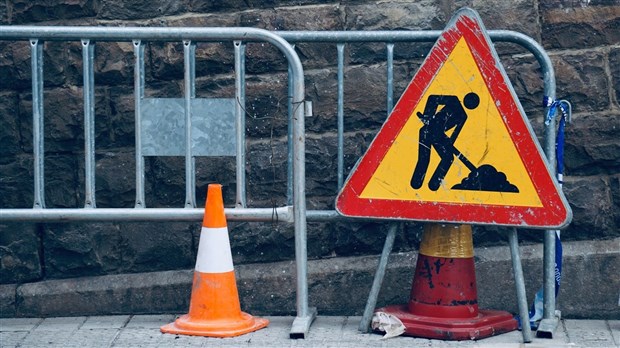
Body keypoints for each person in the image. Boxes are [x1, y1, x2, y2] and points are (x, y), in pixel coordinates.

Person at [410, 92, 480, 191]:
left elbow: (455, 134)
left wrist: (449, 143)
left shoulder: (463, 116)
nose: (470, 103)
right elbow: (433, 99)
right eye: (471, 100)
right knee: (424, 158)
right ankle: (416, 184)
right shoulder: (454, 100)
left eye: (473, 103)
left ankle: (434, 185)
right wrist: (428, 116)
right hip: (427, 131)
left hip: (439, 136)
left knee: (448, 158)